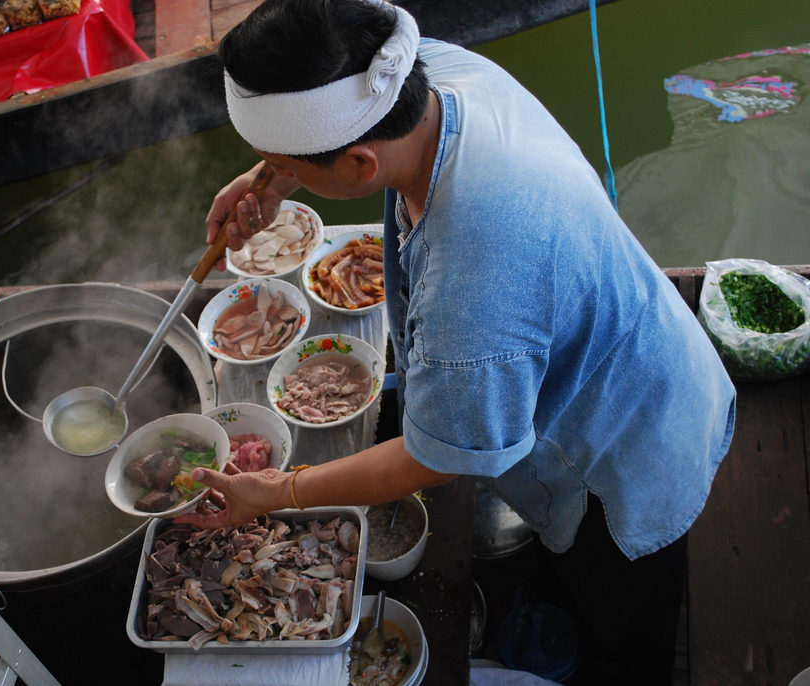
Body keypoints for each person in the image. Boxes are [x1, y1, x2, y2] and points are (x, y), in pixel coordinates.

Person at [180, 0, 736, 682]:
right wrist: (269, 176)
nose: (272, 172)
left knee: (623, 614)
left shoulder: (473, 280)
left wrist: (278, 491)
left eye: (282, 160)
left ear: (358, 162)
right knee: (563, 571)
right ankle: (556, 602)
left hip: (629, 439)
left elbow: (433, 457)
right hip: (615, 332)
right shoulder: (421, 71)